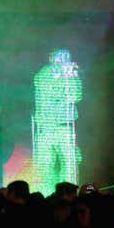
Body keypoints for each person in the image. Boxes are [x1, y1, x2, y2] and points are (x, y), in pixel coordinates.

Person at [33, 49, 82, 196]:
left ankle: (68, 194)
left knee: (70, 163)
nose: (64, 60)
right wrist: (65, 79)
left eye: (66, 57)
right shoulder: (44, 74)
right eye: (60, 57)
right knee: (45, 166)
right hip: (46, 127)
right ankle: (46, 196)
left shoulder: (71, 75)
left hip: (64, 125)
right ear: (51, 58)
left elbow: (76, 95)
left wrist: (71, 76)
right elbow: (50, 92)